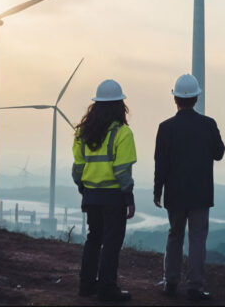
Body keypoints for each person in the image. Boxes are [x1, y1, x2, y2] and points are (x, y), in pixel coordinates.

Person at [154, 74, 225, 301]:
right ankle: (195, 286)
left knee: (174, 236)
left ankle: (171, 282)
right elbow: (219, 153)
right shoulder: (208, 124)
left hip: (175, 194)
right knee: (197, 239)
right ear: (196, 98)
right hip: (201, 194)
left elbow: (161, 163)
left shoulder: (165, 128)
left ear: (175, 98)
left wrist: (158, 191)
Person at [72, 79, 136, 302]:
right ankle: (107, 288)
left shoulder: (83, 134)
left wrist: (84, 188)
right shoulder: (122, 133)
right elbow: (122, 171)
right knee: (111, 241)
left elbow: (78, 168)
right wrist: (129, 197)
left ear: (96, 105)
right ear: (120, 105)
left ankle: (86, 285)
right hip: (114, 196)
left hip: (91, 195)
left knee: (94, 238)